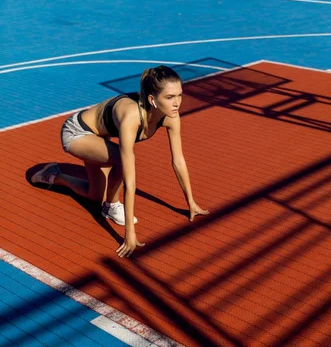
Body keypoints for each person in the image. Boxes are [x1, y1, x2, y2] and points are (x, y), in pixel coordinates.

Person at [31, 65, 208, 257]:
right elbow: (130, 180)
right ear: (152, 100)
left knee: (94, 196)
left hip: (100, 138)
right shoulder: (132, 116)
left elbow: (178, 161)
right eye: (170, 97)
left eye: (180, 95)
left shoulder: (171, 117)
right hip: (77, 132)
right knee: (123, 162)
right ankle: (112, 206)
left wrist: (191, 202)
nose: (177, 103)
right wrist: (129, 235)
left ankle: (55, 175)